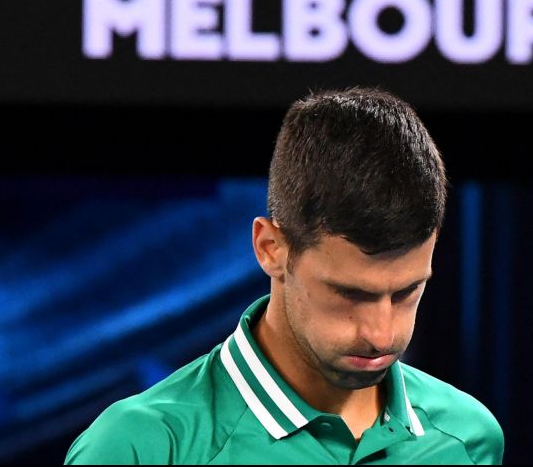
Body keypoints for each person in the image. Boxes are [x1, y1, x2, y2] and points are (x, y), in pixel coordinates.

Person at [65, 87, 504, 464]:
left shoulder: (469, 438)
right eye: (350, 294)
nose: (382, 334)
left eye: (407, 291)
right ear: (270, 249)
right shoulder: (139, 447)